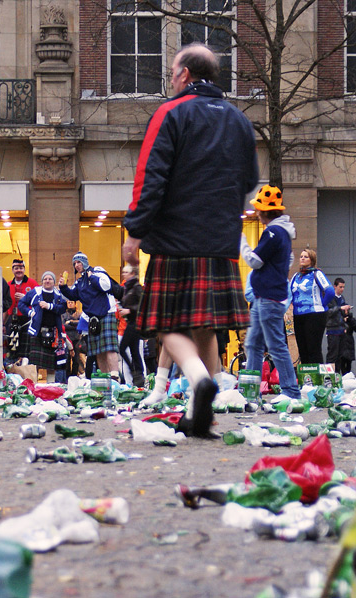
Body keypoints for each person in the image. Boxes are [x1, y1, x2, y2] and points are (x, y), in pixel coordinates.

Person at [122, 43, 257, 437]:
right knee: (206, 326)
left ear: (183, 75)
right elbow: (249, 181)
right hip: (221, 241)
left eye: (171, 71)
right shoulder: (238, 120)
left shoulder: (170, 112)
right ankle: (207, 416)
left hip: (175, 238)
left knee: (167, 324)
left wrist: (135, 230)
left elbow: (151, 177)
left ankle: (198, 379)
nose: (170, 77)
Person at [238, 185, 300, 399]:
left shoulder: (273, 232)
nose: (256, 213)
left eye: (258, 209)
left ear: (266, 211)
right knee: (254, 343)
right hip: (265, 297)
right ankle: (250, 392)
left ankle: (290, 391)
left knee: (274, 344)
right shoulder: (282, 233)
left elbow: (254, 261)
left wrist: (242, 242)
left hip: (267, 297)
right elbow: (288, 261)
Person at [59, 252, 121, 381]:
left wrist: (91, 277)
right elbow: (73, 295)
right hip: (93, 318)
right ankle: (105, 377)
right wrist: (63, 287)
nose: (77, 265)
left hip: (107, 313)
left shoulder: (97, 271)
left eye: (79, 262)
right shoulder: (80, 281)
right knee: (98, 350)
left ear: (85, 262)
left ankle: (115, 376)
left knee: (109, 348)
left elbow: (106, 285)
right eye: (75, 263)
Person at [289, 248, 336, 365]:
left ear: (312, 260)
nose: (303, 258)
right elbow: (288, 294)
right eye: (301, 256)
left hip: (315, 315)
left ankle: (317, 379)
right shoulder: (295, 276)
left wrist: (321, 304)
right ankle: (306, 378)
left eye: (306, 256)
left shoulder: (316, 273)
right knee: (302, 349)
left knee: (313, 349)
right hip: (298, 315)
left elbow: (330, 291)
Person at [18, 271, 68, 382]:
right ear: (42, 281)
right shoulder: (34, 292)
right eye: (45, 278)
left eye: (50, 279)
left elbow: (62, 308)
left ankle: (50, 386)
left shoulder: (58, 295)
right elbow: (21, 303)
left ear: (54, 282)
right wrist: (29, 312)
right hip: (37, 332)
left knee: (52, 366)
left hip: (54, 334)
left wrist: (49, 306)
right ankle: (35, 386)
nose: (47, 280)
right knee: (35, 364)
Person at [118, 264, 146, 387]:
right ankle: (138, 376)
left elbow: (143, 304)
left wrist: (129, 311)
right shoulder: (128, 288)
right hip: (131, 322)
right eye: (123, 272)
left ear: (133, 274)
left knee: (123, 348)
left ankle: (135, 372)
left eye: (127, 272)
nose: (124, 274)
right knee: (134, 351)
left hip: (134, 323)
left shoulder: (136, 287)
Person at [6, 259, 38, 363]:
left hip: (27, 320)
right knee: (12, 350)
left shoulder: (32, 283)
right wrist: (2, 324)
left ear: (24, 269)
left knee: (26, 352)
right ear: (12, 270)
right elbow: (6, 307)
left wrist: (25, 298)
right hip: (12, 321)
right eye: (16, 268)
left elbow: (39, 301)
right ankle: (13, 372)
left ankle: (26, 373)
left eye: (21, 268)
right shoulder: (8, 285)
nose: (18, 270)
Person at [324, 278, 354, 374]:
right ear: (335, 286)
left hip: (341, 329)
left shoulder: (342, 298)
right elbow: (328, 312)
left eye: (343, 287)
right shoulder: (330, 298)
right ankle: (329, 375)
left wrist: (346, 311)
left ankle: (337, 375)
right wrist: (340, 308)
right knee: (332, 354)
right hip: (332, 329)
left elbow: (342, 313)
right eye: (340, 287)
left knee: (340, 355)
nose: (342, 289)